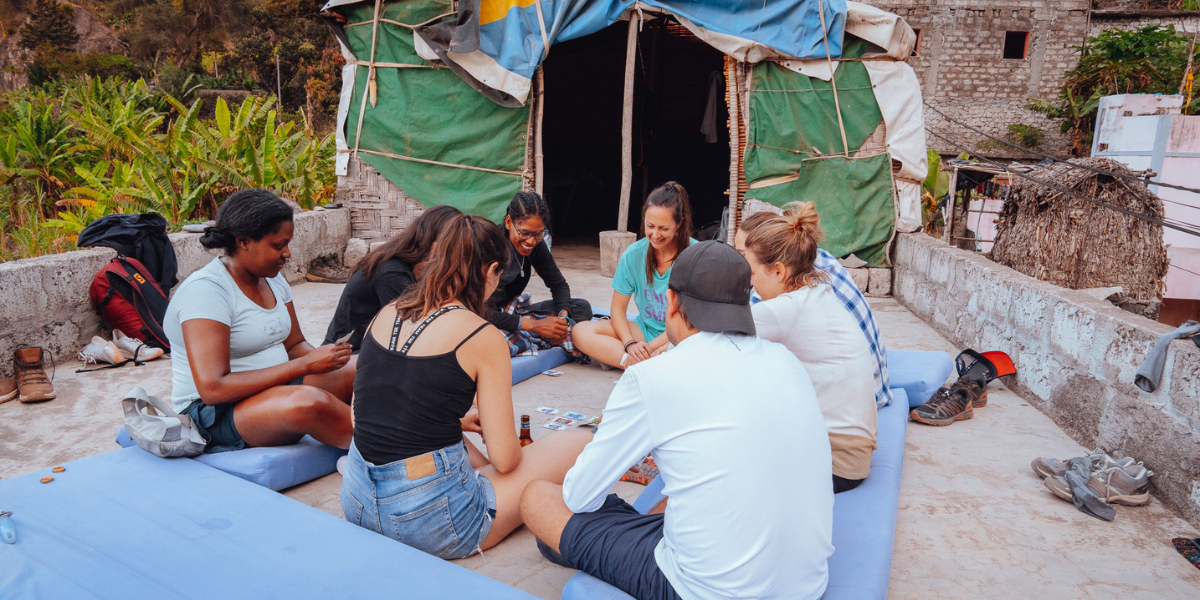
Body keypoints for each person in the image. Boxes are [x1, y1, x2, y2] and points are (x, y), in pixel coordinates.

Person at [520, 241, 833, 600]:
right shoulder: (786, 360)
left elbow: (579, 497)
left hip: (706, 590)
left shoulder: (653, 377)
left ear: (671, 301)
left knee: (539, 498)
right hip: (807, 585)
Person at [341, 214, 592, 559]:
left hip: (356, 502)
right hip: (430, 523)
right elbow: (504, 460)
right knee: (577, 441)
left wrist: (454, 423)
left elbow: (361, 417)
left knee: (448, 442)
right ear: (491, 272)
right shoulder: (482, 335)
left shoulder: (386, 312)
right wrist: (492, 431)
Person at [164, 189, 355, 452]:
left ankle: (388, 433)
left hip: (276, 388)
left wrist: (325, 360)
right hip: (215, 413)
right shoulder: (206, 292)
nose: (287, 254)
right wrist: (304, 366)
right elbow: (213, 389)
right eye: (278, 245)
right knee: (308, 403)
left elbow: (294, 345)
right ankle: (384, 453)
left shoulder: (273, 278)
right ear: (243, 241)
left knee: (364, 366)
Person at [739, 202, 877, 493]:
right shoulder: (816, 291)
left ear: (778, 271)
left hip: (836, 461)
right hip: (851, 452)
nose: (749, 283)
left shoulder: (784, 310)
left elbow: (708, 333)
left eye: (751, 272)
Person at [735, 210, 892, 408]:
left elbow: (728, 343)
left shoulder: (780, 308)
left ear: (778, 270)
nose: (747, 277)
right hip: (866, 403)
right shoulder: (818, 283)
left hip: (838, 431)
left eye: (749, 266)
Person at [573, 182, 694, 369]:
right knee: (580, 331)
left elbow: (692, 321)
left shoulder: (696, 255)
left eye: (664, 228)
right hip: (644, 330)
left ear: (679, 223)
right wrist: (630, 344)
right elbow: (618, 309)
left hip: (682, 334)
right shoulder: (633, 254)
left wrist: (649, 347)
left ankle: (642, 363)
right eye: (650, 226)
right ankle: (637, 365)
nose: (655, 234)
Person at [323, 204, 461, 352]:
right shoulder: (391, 272)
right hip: (347, 355)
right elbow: (413, 329)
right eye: (450, 246)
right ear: (430, 241)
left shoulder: (411, 266)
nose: (453, 253)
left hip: (372, 349)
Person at [488, 192, 592, 347]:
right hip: (483, 315)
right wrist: (534, 326)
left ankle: (532, 333)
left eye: (539, 233)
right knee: (486, 338)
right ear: (509, 222)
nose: (531, 241)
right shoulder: (490, 245)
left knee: (580, 308)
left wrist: (563, 322)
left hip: (512, 312)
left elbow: (558, 285)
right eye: (525, 233)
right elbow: (470, 309)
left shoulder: (536, 244)